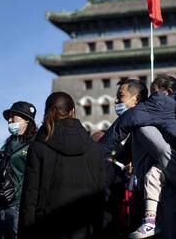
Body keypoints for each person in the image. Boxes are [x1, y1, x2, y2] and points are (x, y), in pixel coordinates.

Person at [99, 75, 176, 239]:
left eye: (121, 96)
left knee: (152, 177)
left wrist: (94, 153)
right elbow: (125, 155)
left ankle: (150, 223)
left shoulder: (152, 111)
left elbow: (122, 126)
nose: (116, 101)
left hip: (165, 189)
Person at [18, 92, 106, 239]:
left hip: (48, 227)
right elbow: (101, 195)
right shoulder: (95, 149)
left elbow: (30, 196)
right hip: (85, 227)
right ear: (73, 111)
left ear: (47, 112)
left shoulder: (38, 147)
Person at [97, 78, 148, 239]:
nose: (116, 100)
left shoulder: (145, 126)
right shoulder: (134, 129)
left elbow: (104, 147)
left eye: (121, 96)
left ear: (136, 99)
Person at [0, 102, 37, 239]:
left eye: (12, 116)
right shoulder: (8, 143)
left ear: (26, 120)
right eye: (8, 117)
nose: (9, 120)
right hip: (1, 203)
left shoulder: (35, 144)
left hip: (18, 205)